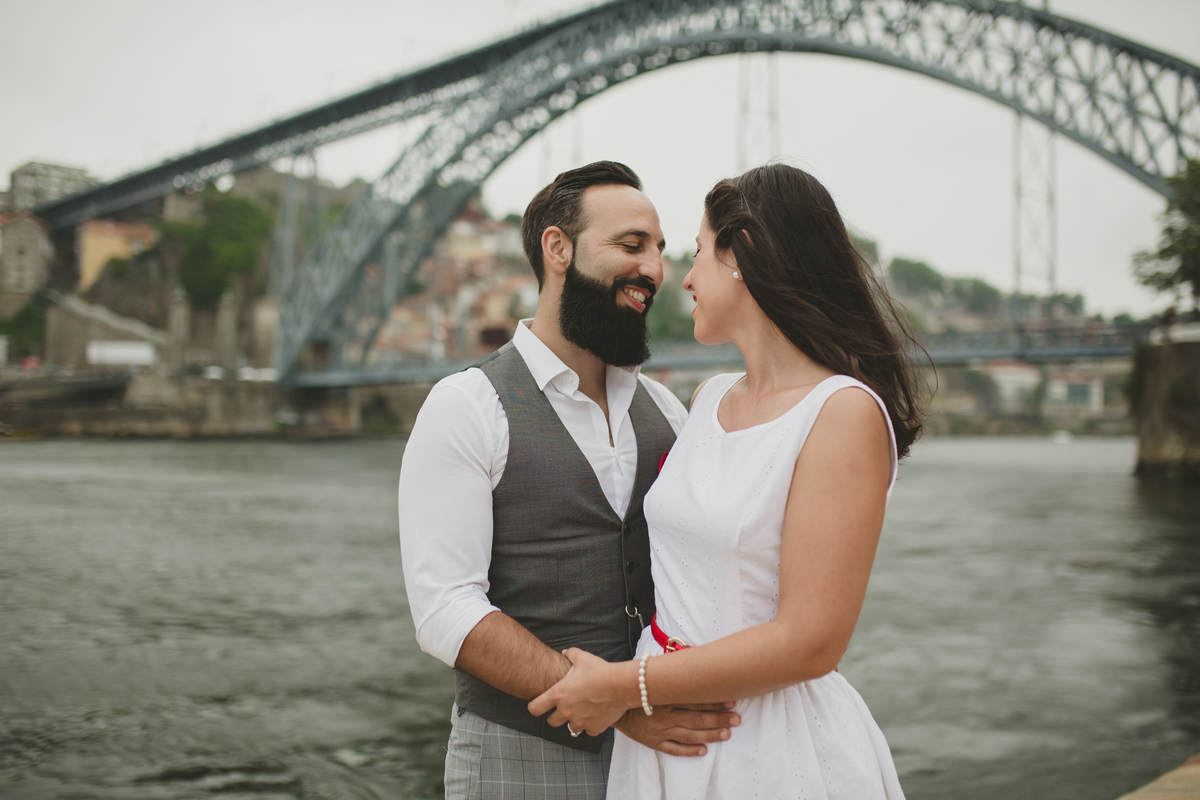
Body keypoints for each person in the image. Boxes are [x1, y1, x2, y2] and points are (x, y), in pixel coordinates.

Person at [529, 163, 926, 799]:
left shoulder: (842, 412)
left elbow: (811, 642)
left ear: (741, 255)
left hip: (767, 745)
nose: (681, 278)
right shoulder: (709, 398)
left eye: (696, 252)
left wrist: (622, 686)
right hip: (666, 740)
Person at [398, 161, 739, 800]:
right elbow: (446, 609)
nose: (654, 269)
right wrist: (616, 705)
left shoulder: (667, 412)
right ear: (558, 249)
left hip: (664, 765)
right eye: (631, 245)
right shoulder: (467, 406)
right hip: (517, 762)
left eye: (659, 249)